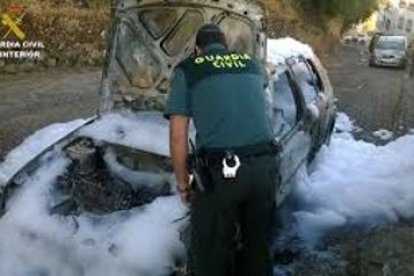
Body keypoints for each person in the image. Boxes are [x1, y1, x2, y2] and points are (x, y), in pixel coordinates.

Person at [164, 24, 279, 276]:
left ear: (197, 49)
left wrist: (183, 183)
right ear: (225, 46)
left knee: (209, 253)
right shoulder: (251, 63)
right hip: (266, 169)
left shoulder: (189, 69)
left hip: (221, 175)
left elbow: (177, 136)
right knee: (257, 247)